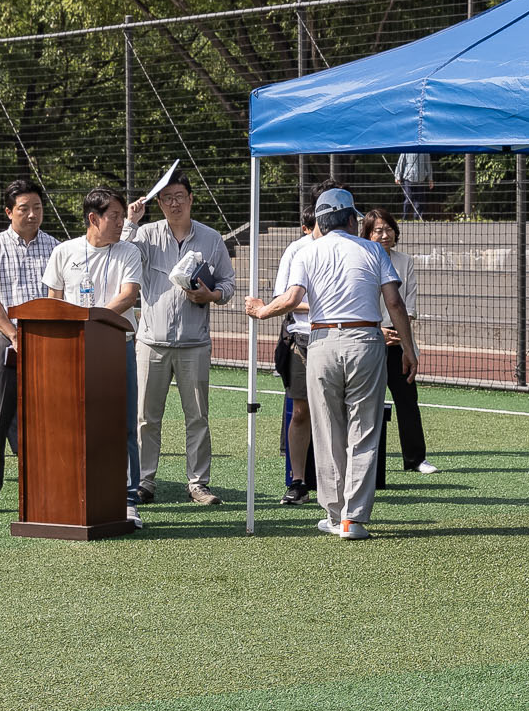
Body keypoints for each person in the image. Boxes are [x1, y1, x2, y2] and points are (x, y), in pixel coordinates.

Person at [244, 187, 416, 540]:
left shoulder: (308, 251)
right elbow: (395, 304)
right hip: (366, 341)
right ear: (352, 219)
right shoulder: (373, 250)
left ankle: (335, 514)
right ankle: (354, 518)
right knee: (364, 430)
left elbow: (291, 299)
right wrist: (410, 348)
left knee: (326, 429)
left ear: (320, 222)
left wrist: (261, 310)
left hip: (321, 342)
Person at [125, 175, 237, 506]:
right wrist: (131, 223)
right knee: (145, 417)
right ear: (158, 203)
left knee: (198, 416)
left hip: (194, 344)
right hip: (150, 342)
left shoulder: (211, 238)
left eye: (180, 196)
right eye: (167, 198)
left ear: (191, 198)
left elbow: (228, 284)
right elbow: (120, 257)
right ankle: (144, 482)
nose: (174, 203)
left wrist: (211, 295)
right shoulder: (145, 235)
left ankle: (198, 484)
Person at [45, 187, 147, 509]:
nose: (121, 223)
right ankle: (74, 493)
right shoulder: (65, 252)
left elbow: (129, 295)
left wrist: (91, 320)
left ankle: (128, 501)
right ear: (94, 218)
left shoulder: (128, 252)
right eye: (114, 216)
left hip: (118, 347)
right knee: (73, 422)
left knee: (124, 424)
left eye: (120, 216)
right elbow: (54, 301)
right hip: (74, 352)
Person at [0, 178, 57, 516]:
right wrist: (14, 334)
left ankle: (51, 485)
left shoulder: (56, 247)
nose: (33, 214)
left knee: (51, 417)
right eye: (24, 209)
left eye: (37, 207)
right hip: (7, 337)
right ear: (9, 212)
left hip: (51, 337)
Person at [363, 209, 436, 475]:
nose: (384, 235)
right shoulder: (361, 259)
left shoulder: (405, 261)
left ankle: (415, 458)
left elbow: (408, 303)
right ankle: (367, 459)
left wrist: (405, 343)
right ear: (367, 234)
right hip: (369, 335)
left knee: (407, 397)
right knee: (368, 401)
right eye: (377, 230)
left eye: (388, 229)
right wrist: (376, 330)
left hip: (398, 335)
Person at [273, 206, 320, 506]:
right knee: (300, 411)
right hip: (302, 338)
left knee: (338, 415)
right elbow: (283, 298)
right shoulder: (297, 250)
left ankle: (338, 485)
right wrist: (319, 307)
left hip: (337, 338)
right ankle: (298, 482)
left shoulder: (352, 248)